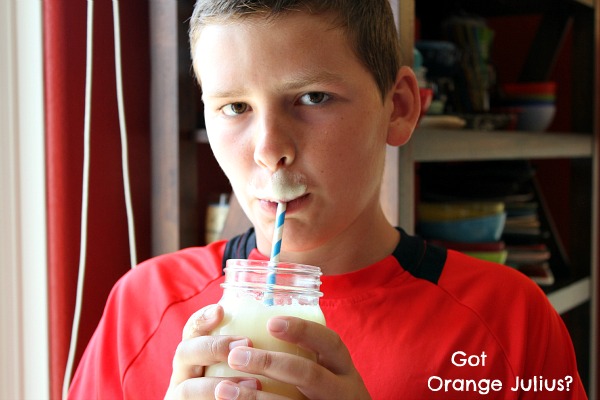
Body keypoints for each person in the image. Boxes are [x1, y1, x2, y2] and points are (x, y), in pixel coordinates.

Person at [68, 0, 588, 399]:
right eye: (234, 107)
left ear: (399, 108)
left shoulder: (510, 321)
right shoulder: (144, 305)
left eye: (312, 98)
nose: (270, 150)